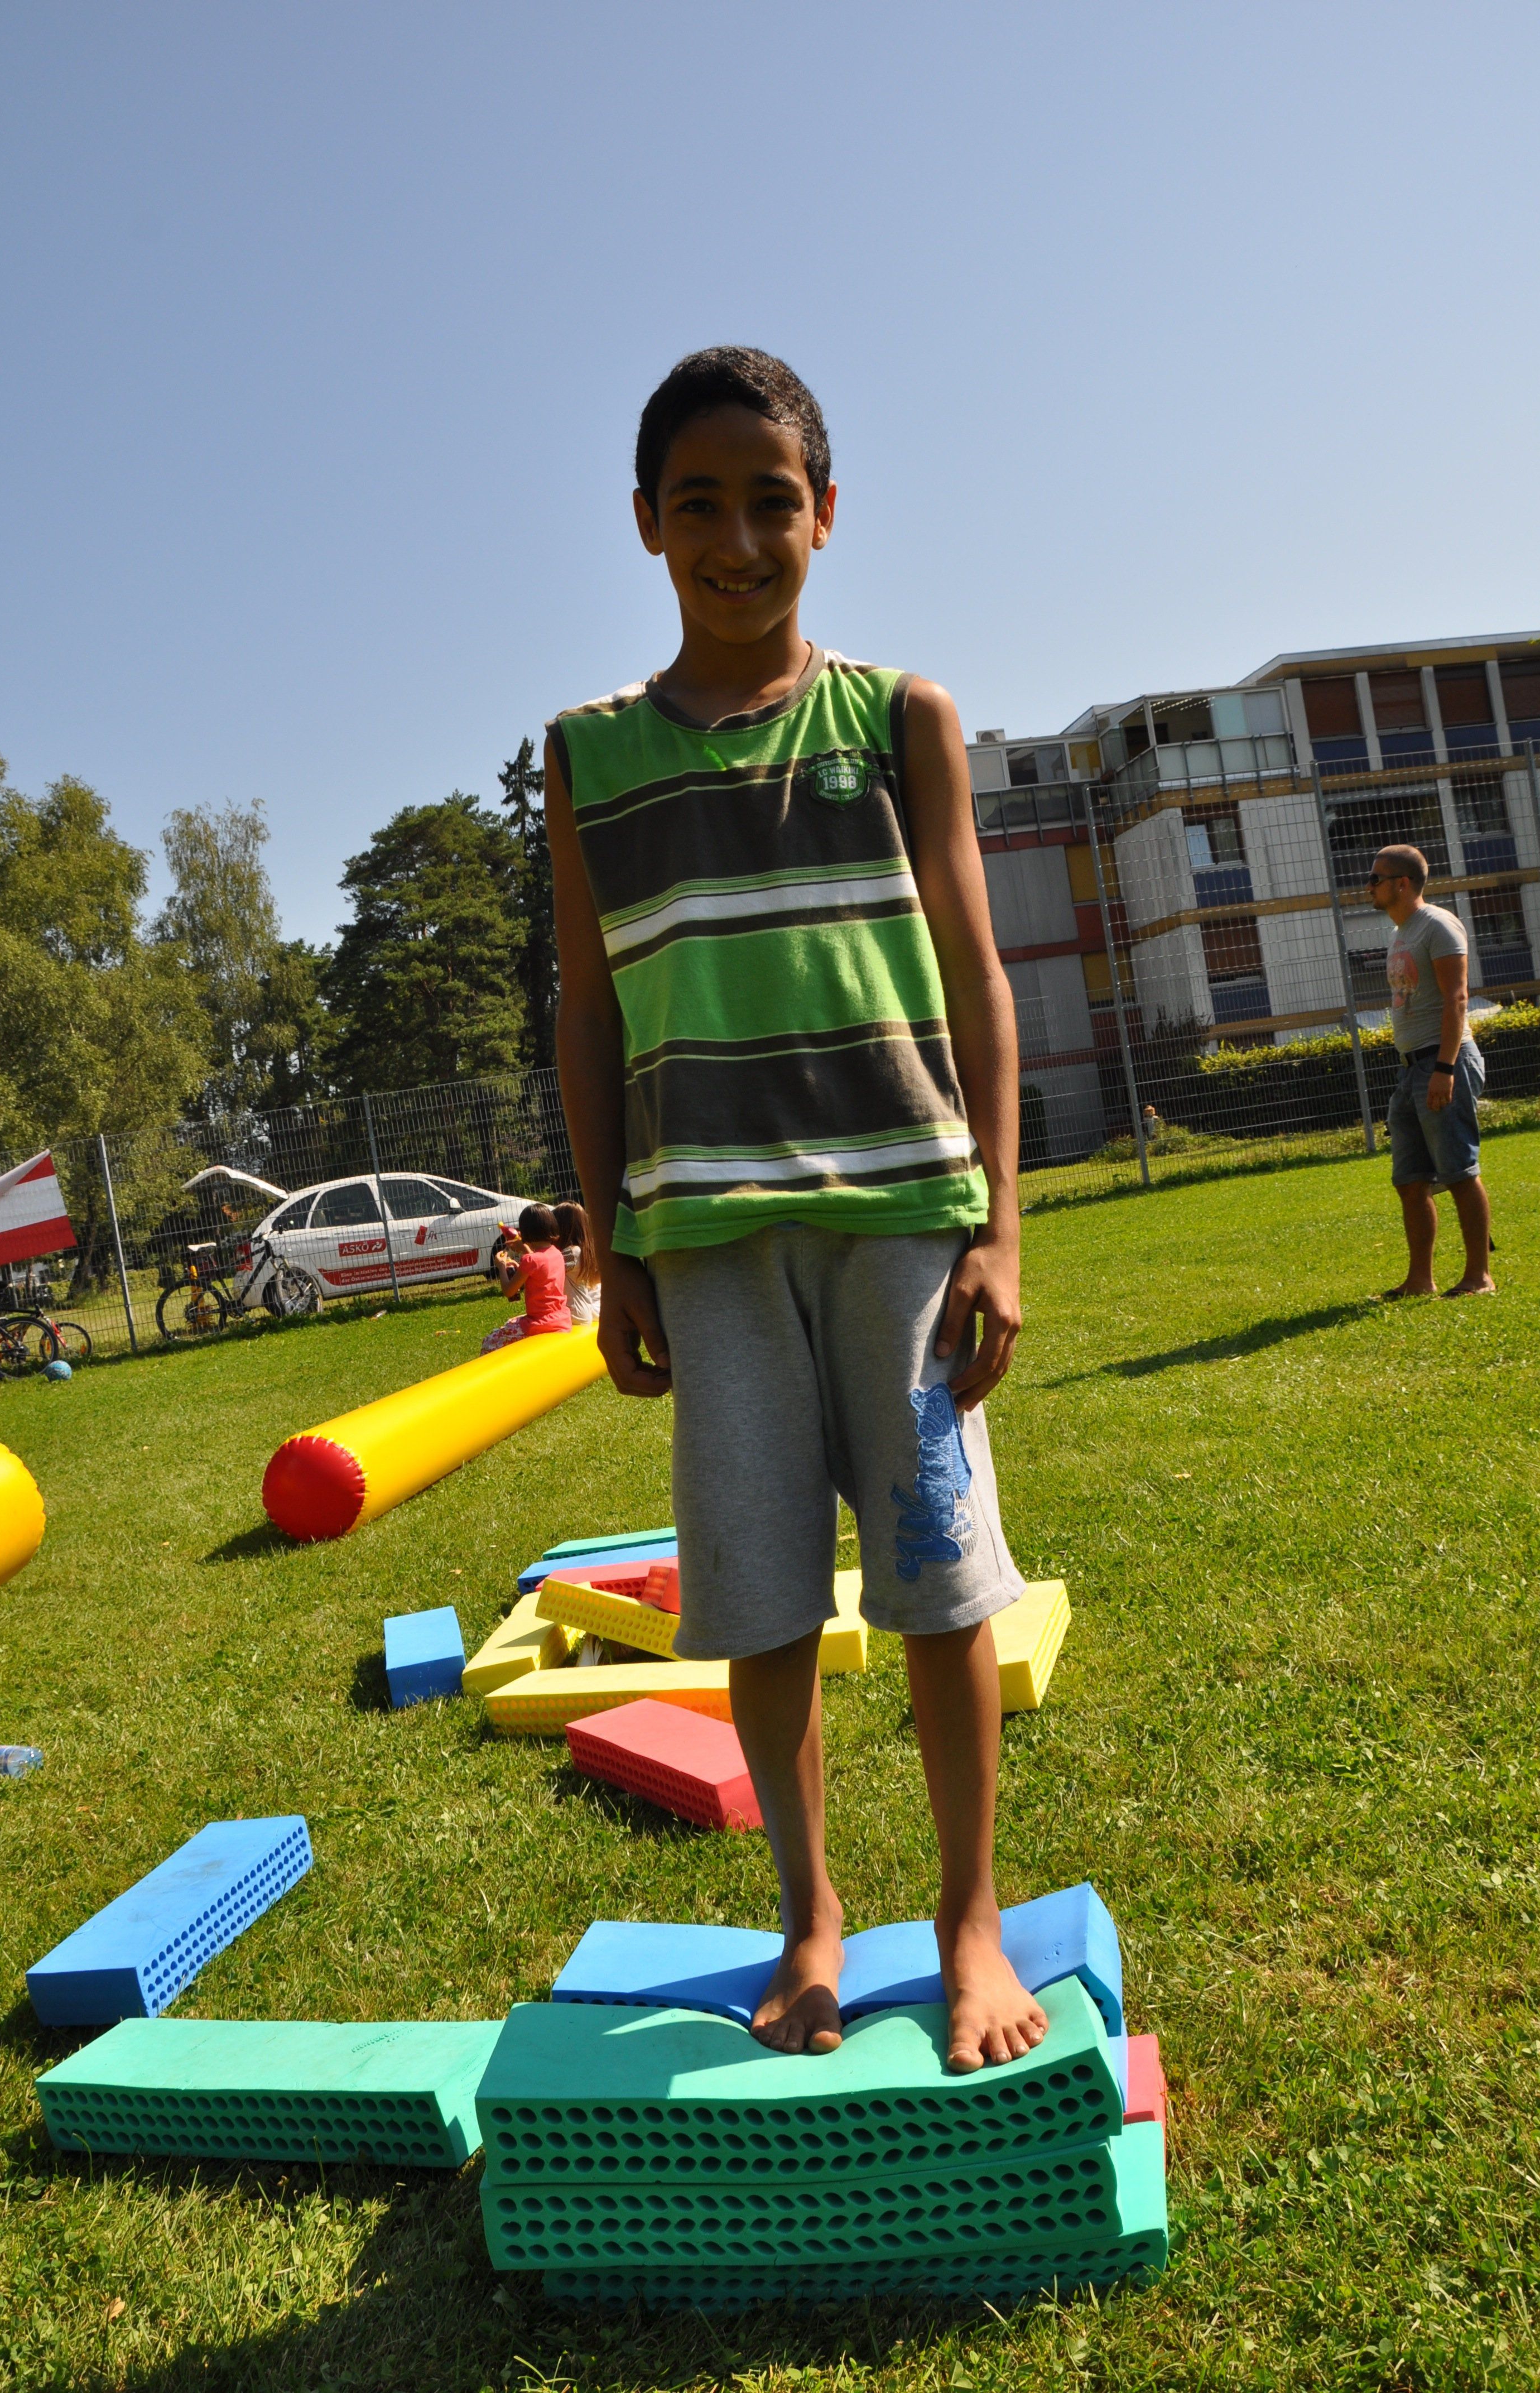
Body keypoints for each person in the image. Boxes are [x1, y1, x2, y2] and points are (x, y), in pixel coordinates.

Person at [546, 347, 1041, 2073]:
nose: (739, 540)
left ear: (825, 512)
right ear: (644, 523)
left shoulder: (900, 718)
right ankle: (811, 1915)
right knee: (759, 1604)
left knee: (940, 1585)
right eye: (700, 505)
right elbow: (588, 1011)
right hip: (707, 1242)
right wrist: (607, 1250)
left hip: (903, 1223)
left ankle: (970, 1921)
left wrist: (999, 1229)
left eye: (772, 501)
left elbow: (977, 975)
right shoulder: (591, 755)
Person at [1369, 843, 1495, 1298]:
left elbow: (1457, 998)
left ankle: (1479, 1277)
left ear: (1402, 884)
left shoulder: (1437, 925)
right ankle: (1420, 1281)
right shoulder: (1402, 932)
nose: (1369, 887)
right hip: (1411, 1068)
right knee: (1410, 1180)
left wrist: (1445, 1068)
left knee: (1459, 1171)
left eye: (1376, 879)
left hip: (1442, 1062)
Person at [480, 1204, 572, 1352]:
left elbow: (509, 1291)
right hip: (560, 1319)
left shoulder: (530, 1260)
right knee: (511, 1321)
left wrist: (502, 1267)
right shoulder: (557, 1253)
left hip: (540, 1324)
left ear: (526, 1232)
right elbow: (539, 1267)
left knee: (489, 1342)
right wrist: (523, 1253)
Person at [554, 1200, 602, 1325]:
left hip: (575, 1313)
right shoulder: (585, 1250)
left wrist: (527, 1249)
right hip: (588, 1309)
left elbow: (547, 1270)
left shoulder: (572, 1253)